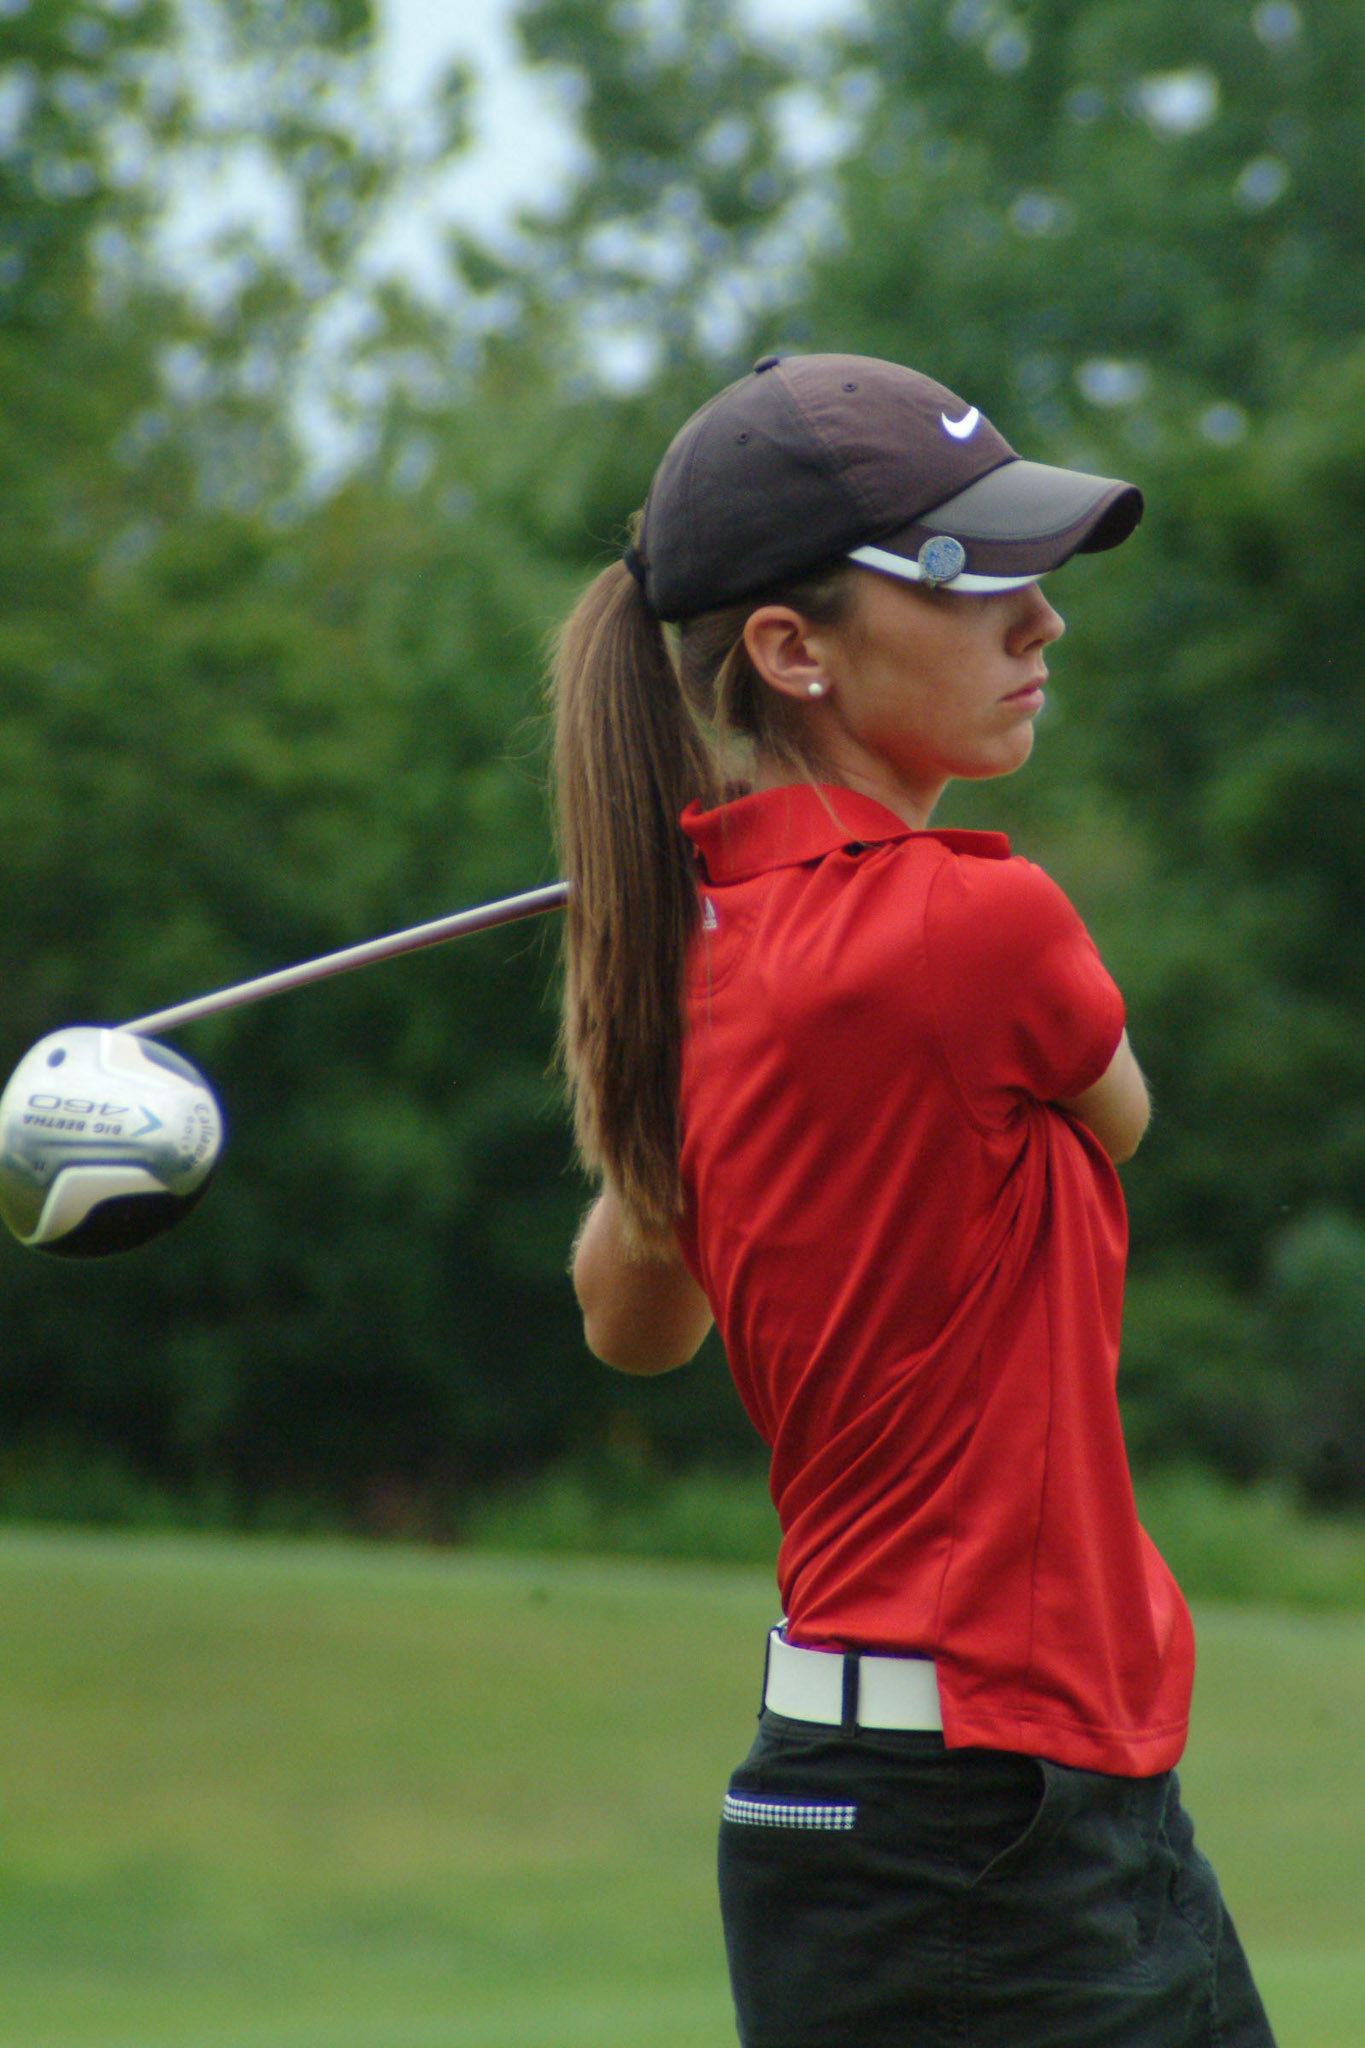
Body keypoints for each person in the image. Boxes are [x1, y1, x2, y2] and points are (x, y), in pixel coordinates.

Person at [549, 352, 1275, 2047]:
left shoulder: (710, 959)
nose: (1040, 627)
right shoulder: (976, 927)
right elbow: (1125, 1116)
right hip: (976, 1818)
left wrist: (697, 962)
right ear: (789, 653)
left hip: (963, 1802)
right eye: (967, 582)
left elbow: (630, 1318)